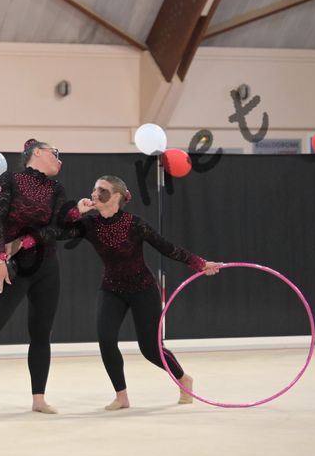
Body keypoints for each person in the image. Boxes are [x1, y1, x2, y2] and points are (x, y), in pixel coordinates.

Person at [61, 175, 221, 410]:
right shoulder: (89, 224)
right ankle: (121, 396)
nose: (94, 194)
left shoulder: (134, 223)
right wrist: (76, 212)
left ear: (116, 196)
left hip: (142, 289)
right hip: (111, 289)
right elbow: (60, 232)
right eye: (94, 188)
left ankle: (183, 379)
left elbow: (166, 247)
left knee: (151, 349)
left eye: (102, 190)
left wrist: (200, 263)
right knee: (106, 340)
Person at [0, 139, 75, 418]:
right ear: (37, 153)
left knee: (41, 333)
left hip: (46, 267)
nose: (59, 159)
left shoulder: (56, 188)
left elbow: (58, 229)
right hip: (12, 267)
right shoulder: (11, 179)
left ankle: (39, 398)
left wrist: (25, 241)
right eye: (55, 153)